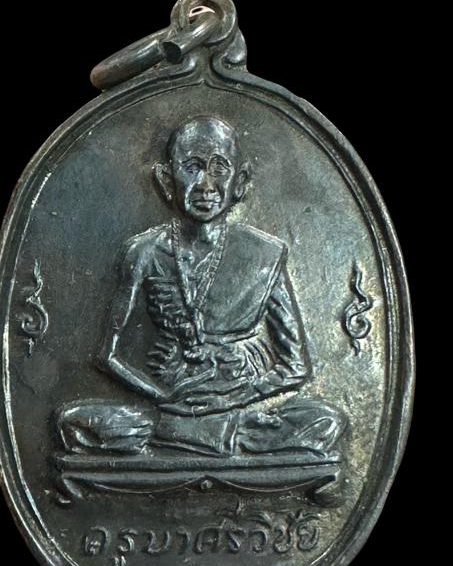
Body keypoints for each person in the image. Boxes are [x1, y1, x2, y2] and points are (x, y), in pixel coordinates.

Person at [57, 116, 346, 457]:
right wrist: (162, 395)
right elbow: (107, 356)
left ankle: (199, 438)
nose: (205, 184)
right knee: (73, 422)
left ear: (240, 181)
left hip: (236, 408)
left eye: (219, 168)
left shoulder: (265, 254)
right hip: (165, 408)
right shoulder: (145, 251)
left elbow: (295, 367)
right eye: (191, 167)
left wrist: (232, 397)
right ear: (167, 180)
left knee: (325, 421)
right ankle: (194, 438)